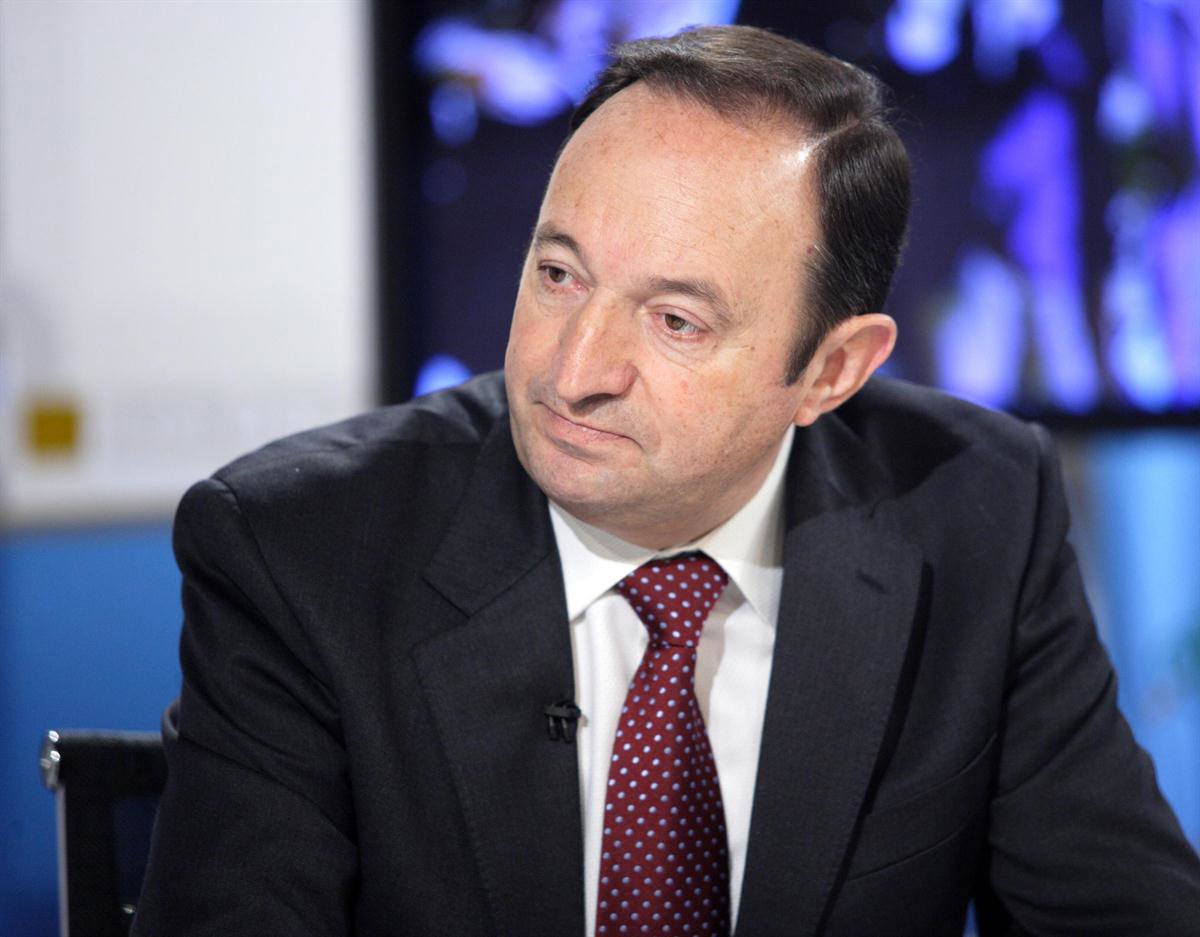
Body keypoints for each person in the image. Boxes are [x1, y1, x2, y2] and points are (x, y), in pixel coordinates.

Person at [134, 25, 1200, 937]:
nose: (573, 370)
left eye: (676, 321)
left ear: (831, 371)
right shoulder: (300, 549)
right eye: (559, 274)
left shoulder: (977, 513)